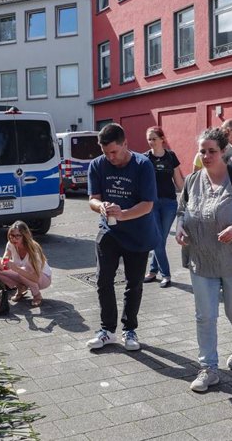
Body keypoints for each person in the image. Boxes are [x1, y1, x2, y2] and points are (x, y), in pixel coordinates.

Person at [176, 127, 232, 392]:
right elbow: (182, 210)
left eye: (211, 151)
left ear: (224, 151)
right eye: (202, 151)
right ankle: (208, 368)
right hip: (202, 259)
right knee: (205, 316)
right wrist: (181, 228)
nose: (206, 155)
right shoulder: (193, 181)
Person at [86, 123, 159, 352]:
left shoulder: (142, 165)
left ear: (125, 144)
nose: (110, 157)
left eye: (114, 152)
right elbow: (92, 198)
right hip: (109, 231)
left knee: (134, 284)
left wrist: (124, 214)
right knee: (103, 280)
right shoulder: (97, 165)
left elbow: (148, 205)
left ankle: (129, 330)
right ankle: (107, 330)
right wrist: (101, 207)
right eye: (105, 152)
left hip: (138, 233)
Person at [143, 126, 184, 287]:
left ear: (162, 139)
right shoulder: (145, 158)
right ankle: (166, 274)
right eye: (149, 139)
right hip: (151, 203)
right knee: (158, 239)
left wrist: (187, 198)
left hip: (169, 203)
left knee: (161, 238)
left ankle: (153, 271)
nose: (151, 142)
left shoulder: (171, 156)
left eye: (154, 138)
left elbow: (179, 181)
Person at [0, 221, 52, 307]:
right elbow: (5, 261)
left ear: (24, 236)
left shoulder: (34, 249)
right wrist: (0, 265)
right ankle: (21, 288)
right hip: (23, 273)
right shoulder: (11, 244)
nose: (14, 239)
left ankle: (37, 295)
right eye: (12, 235)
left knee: (22, 271)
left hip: (43, 278)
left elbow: (36, 278)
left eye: (17, 236)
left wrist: (17, 269)